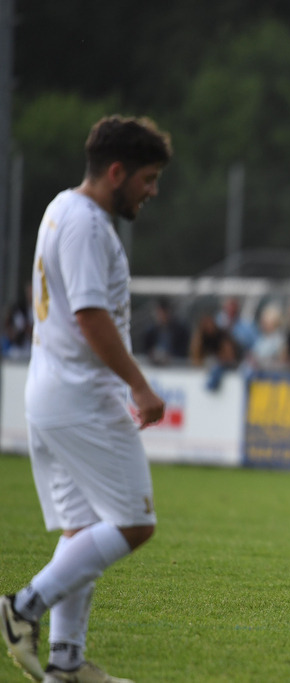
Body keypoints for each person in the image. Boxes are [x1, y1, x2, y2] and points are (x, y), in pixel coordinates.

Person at [2, 115, 172, 683]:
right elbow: (91, 316)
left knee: (82, 535)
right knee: (134, 524)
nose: (151, 191)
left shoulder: (60, 208)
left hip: (53, 391)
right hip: (82, 397)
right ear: (116, 171)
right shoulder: (87, 226)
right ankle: (20, 608)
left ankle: (65, 666)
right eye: (147, 179)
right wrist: (140, 386)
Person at [140, 296, 190, 365]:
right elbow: (144, 351)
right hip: (154, 366)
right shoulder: (150, 331)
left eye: (163, 313)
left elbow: (184, 351)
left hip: (176, 367)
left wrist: (170, 356)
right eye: (159, 313)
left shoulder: (181, 330)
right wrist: (152, 354)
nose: (161, 316)